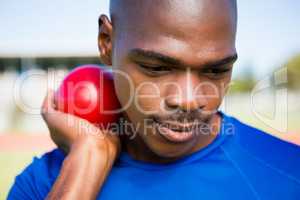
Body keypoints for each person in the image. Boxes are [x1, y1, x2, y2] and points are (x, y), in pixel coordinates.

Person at [8, 0, 300, 199]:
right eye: (157, 68)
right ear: (106, 42)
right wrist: (89, 158)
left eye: (215, 70)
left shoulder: (290, 175)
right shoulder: (44, 185)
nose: (187, 100)